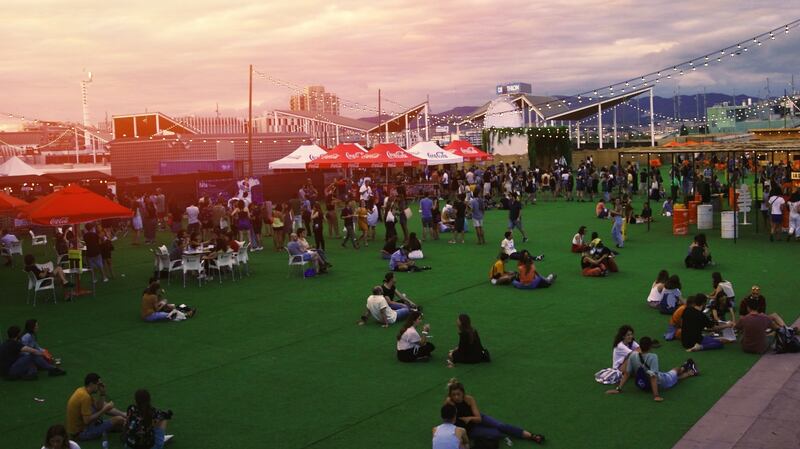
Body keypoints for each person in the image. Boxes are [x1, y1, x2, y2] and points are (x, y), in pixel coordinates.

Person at [444, 378, 545, 444]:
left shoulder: (469, 399)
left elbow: (478, 418)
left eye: (458, 394)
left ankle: (531, 436)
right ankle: (508, 435)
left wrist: (469, 418)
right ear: (450, 395)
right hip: (469, 429)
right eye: (453, 395)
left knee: (501, 426)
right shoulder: (449, 402)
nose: (456, 397)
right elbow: (446, 419)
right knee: (496, 433)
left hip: (476, 418)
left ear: (463, 393)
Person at [606, 336, 698, 402]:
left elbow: (627, 373)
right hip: (662, 383)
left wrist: (618, 389)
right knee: (675, 371)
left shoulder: (633, 356)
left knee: (669, 376)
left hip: (642, 384)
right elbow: (653, 376)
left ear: (640, 346)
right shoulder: (653, 356)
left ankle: (689, 373)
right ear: (650, 347)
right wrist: (656, 395)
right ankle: (686, 368)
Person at [66, 373, 126, 441]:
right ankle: (129, 424)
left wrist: (102, 394)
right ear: (91, 384)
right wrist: (105, 410)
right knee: (118, 419)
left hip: (82, 428)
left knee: (104, 404)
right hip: (81, 433)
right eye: (98, 384)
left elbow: (98, 407)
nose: (100, 386)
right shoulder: (85, 397)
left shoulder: (82, 390)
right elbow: (87, 421)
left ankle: (125, 415)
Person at [0, 325, 65, 380]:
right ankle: (52, 369)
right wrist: (43, 353)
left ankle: (31, 373)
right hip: (9, 371)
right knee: (33, 355)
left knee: (29, 358)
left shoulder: (6, 343)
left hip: (5, 371)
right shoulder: (14, 344)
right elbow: (31, 350)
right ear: (18, 334)